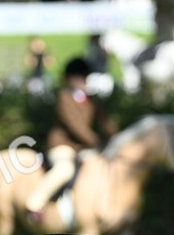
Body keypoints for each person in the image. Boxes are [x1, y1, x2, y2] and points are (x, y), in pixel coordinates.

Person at [24, 57, 119, 222]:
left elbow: (105, 122)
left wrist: (118, 137)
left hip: (82, 148)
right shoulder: (64, 98)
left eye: (83, 77)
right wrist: (96, 142)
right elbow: (75, 126)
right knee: (64, 169)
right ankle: (34, 204)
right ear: (69, 79)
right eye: (78, 78)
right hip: (62, 145)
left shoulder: (92, 100)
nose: (82, 81)